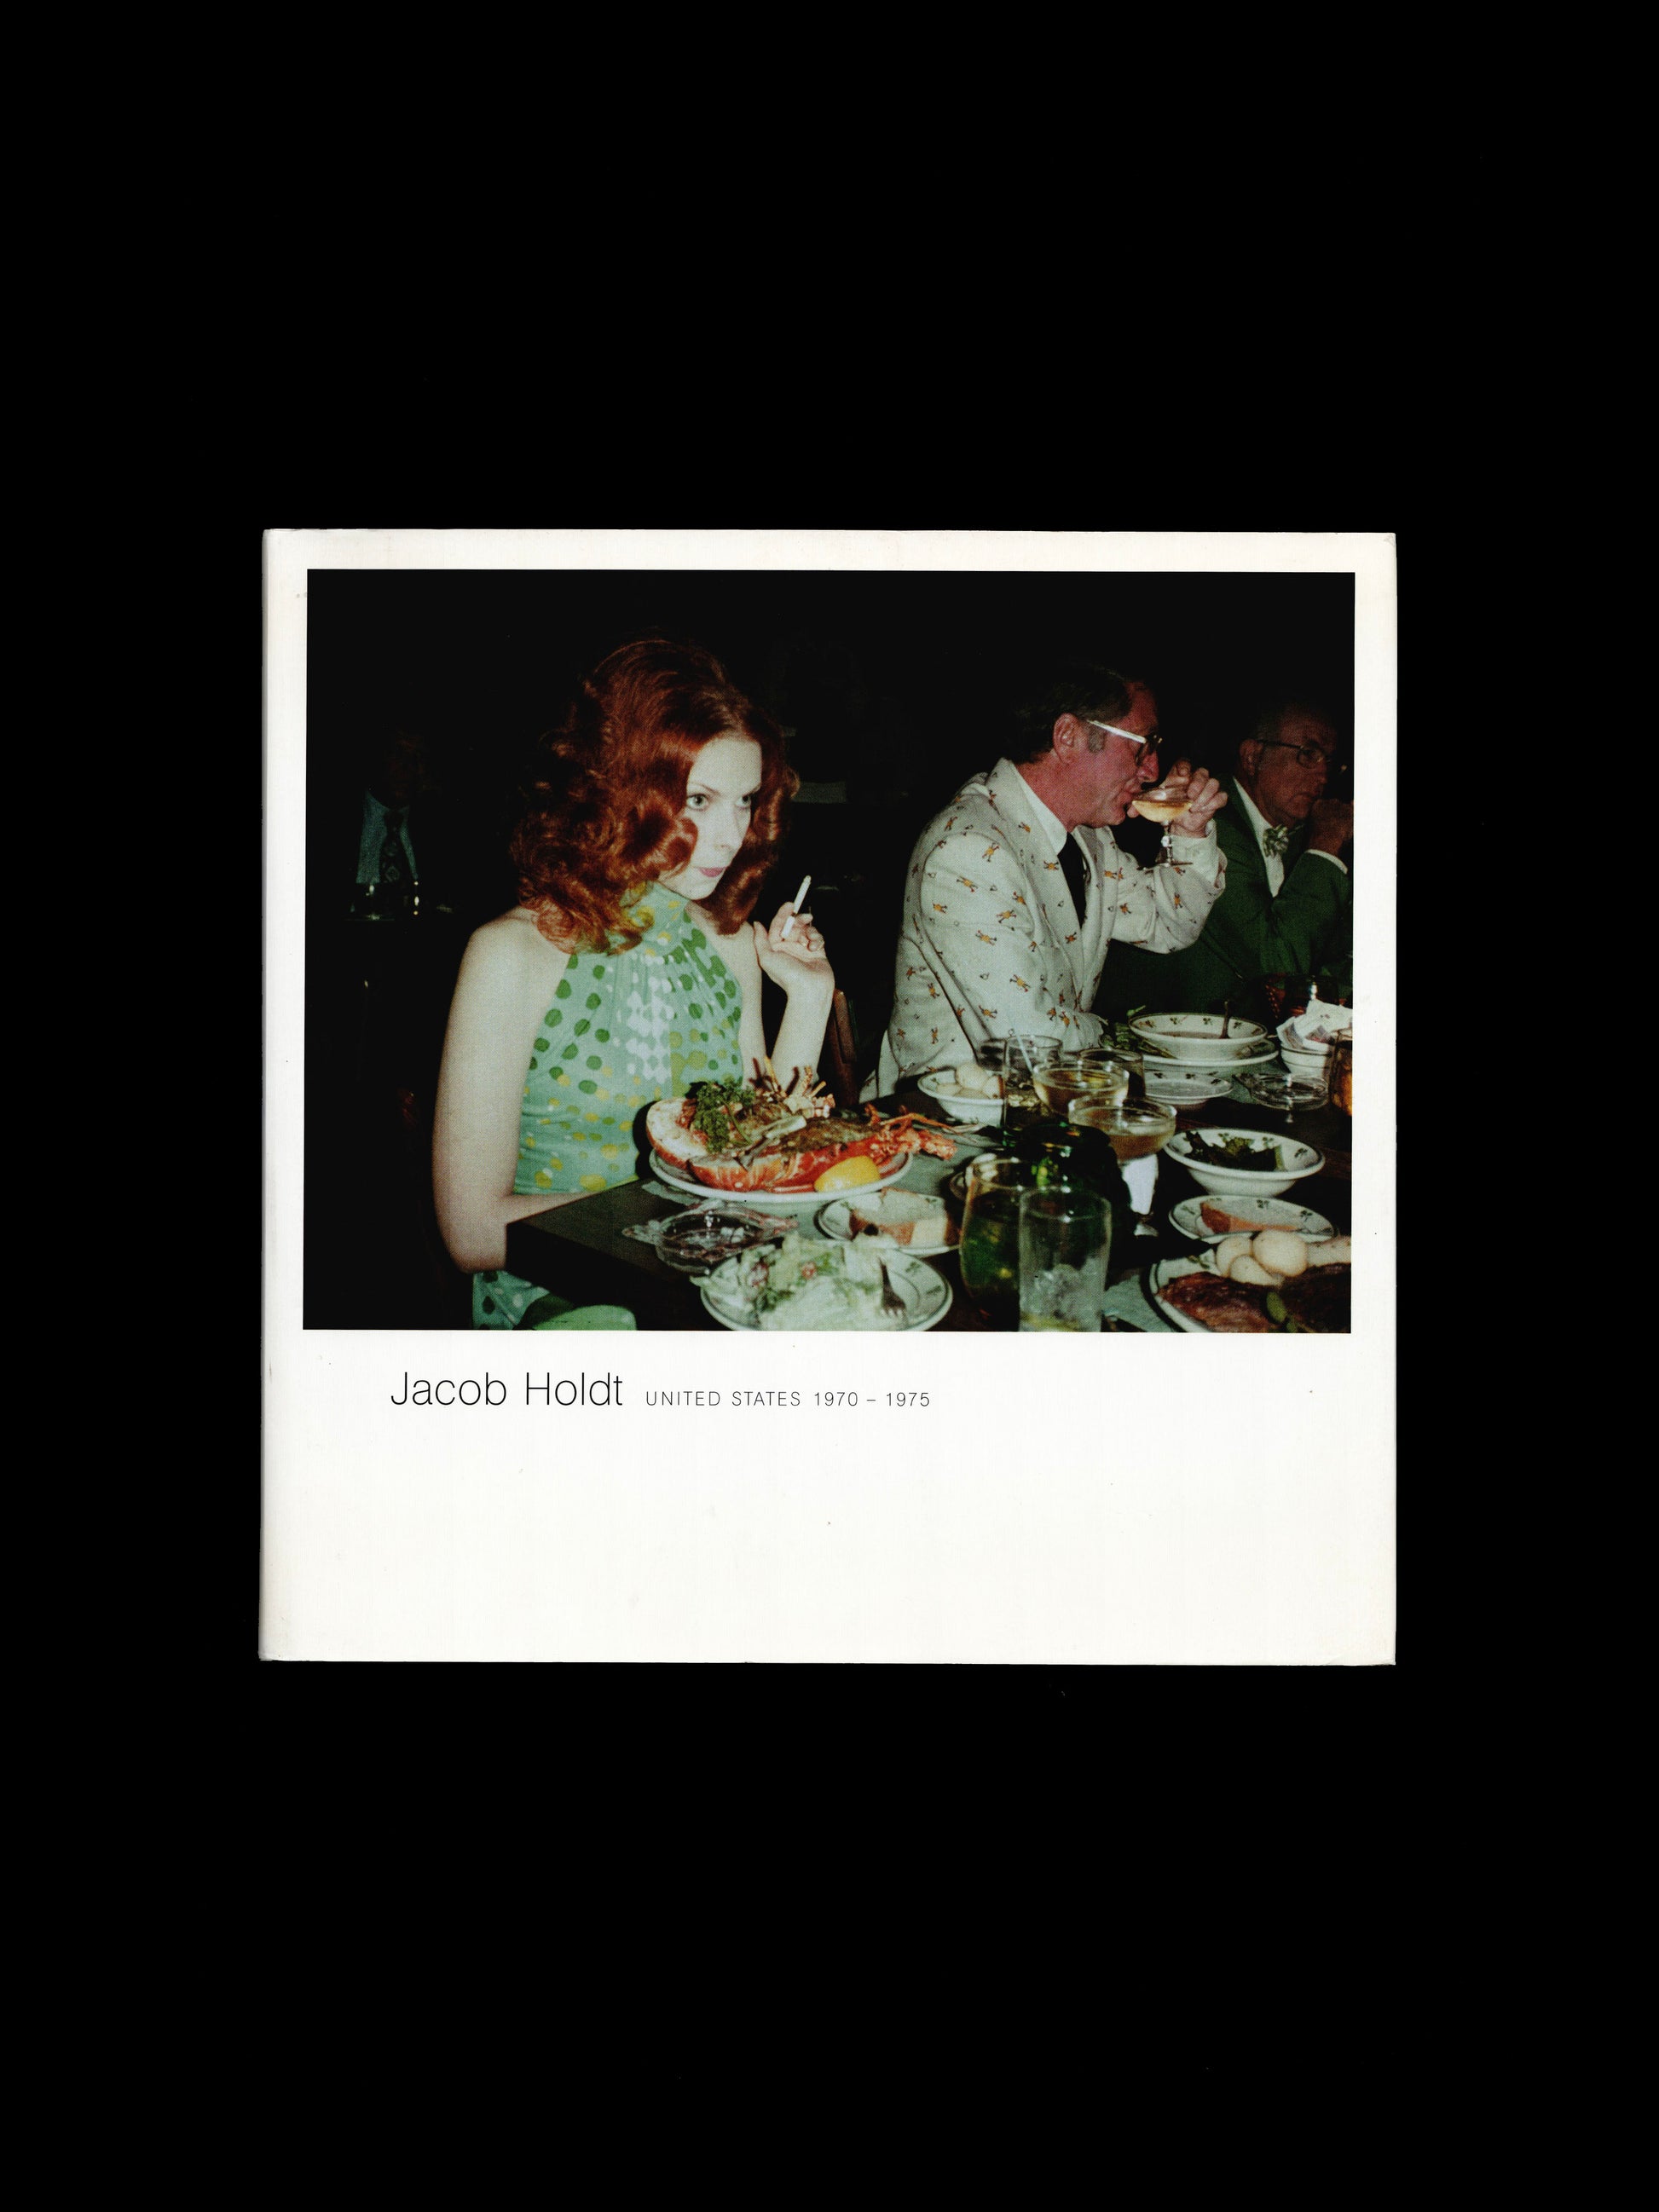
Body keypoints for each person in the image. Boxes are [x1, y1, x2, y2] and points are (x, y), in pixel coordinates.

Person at [433, 638, 833, 1328]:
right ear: (619, 789)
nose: (729, 836)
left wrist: (809, 997)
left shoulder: (729, 942)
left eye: (743, 801)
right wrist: (684, 1212)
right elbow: (471, 1233)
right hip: (563, 1304)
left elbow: (764, 1154)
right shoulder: (511, 954)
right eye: (698, 799)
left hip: (707, 1288)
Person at [873, 661, 1228, 1089]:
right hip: (950, 1113)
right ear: (1068, 736)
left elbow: (1170, 923)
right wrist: (1123, 1038)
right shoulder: (969, 851)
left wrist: (1189, 833)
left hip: (1050, 1099)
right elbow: (1026, 1039)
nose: (1152, 770)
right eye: (1142, 746)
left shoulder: (1088, 839)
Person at [1095, 699, 1352, 1020]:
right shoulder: (1206, 819)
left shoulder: (1303, 833)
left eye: (1330, 761)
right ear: (1253, 756)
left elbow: (1337, 953)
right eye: (1308, 754)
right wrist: (1326, 845)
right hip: (1167, 1032)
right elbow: (1276, 965)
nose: (1323, 775)